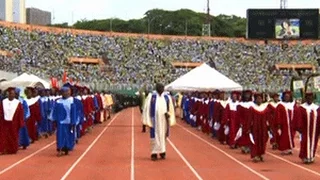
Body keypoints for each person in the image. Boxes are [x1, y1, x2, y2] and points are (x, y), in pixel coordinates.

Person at [142, 83, 176, 161]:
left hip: (164, 120)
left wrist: (169, 115)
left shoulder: (167, 97)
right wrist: (148, 118)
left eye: (162, 87)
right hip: (155, 120)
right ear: (156, 88)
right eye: (160, 87)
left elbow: (170, 108)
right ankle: (154, 153)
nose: (161, 89)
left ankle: (162, 152)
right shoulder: (151, 96)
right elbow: (147, 108)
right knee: (155, 136)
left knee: (163, 136)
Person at [51, 85, 77, 156]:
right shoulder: (58, 101)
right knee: (60, 136)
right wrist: (54, 120)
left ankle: (67, 148)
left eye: (67, 92)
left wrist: (73, 122)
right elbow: (55, 111)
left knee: (68, 136)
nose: (65, 93)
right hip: (60, 122)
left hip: (69, 122)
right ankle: (60, 148)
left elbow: (73, 112)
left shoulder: (72, 101)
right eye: (63, 92)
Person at [294, 92, 320, 164]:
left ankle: (311, 156)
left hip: (315, 129)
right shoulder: (302, 108)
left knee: (314, 143)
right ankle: (305, 157)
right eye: (308, 98)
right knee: (305, 143)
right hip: (305, 129)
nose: (310, 99)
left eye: (311, 98)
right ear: (306, 98)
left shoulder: (316, 108)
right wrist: (299, 128)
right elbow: (299, 119)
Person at [0, 87, 24, 154]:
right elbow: (1, 112)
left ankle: (12, 149)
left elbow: (20, 113)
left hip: (14, 122)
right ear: (8, 94)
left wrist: (20, 123)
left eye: (13, 94)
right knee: (4, 136)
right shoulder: (3, 102)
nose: (11, 95)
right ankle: (3, 149)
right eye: (10, 93)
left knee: (13, 136)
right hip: (5, 122)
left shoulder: (18, 103)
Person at [249, 93, 271, 162]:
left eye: (260, 99)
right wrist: (249, 128)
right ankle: (255, 155)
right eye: (258, 99)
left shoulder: (265, 109)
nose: (259, 100)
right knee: (255, 141)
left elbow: (268, 119)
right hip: (255, 128)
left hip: (263, 127)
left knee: (262, 140)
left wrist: (269, 127)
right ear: (255, 100)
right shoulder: (252, 108)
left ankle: (261, 154)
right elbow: (249, 119)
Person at [275, 91, 296, 155]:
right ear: (283, 97)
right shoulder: (280, 105)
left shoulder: (292, 104)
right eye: (286, 97)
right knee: (284, 136)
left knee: (291, 136)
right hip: (284, 124)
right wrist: (278, 124)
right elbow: (278, 115)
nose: (287, 98)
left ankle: (290, 148)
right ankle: (284, 149)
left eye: (288, 97)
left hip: (291, 124)